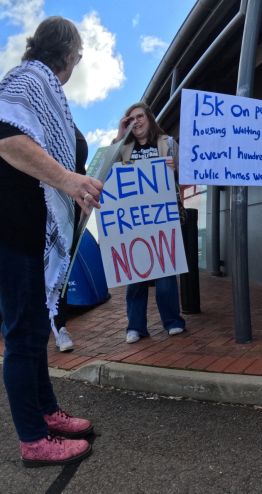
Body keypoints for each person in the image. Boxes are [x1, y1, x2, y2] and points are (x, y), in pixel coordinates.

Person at [0, 16, 102, 466]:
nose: (78, 62)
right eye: (78, 54)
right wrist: (69, 180)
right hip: (15, 231)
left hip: (32, 232)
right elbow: (7, 141)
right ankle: (32, 439)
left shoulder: (47, 92)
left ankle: (46, 412)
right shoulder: (26, 80)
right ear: (69, 53)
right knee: (23, 334)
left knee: (36, 329)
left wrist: (71, 190)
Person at [112, 102, 186, 344]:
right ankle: (136, 327)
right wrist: (119, 135)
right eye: (131, 119)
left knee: (165, 274)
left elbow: (186, 173)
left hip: (162, 218)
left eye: (140, 116)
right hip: (135, 221)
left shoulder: (167, 143)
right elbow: (107, 170)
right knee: (135, 276)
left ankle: (173, 322)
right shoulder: (124, 149)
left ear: (149, 118)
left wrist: (176, 169)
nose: (137, 122)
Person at [50, 125, 89, 352]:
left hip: (69, 208)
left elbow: (81, 170)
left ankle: (59, 325)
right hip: (38, 206)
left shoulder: (67, 122)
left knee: (61, 268)